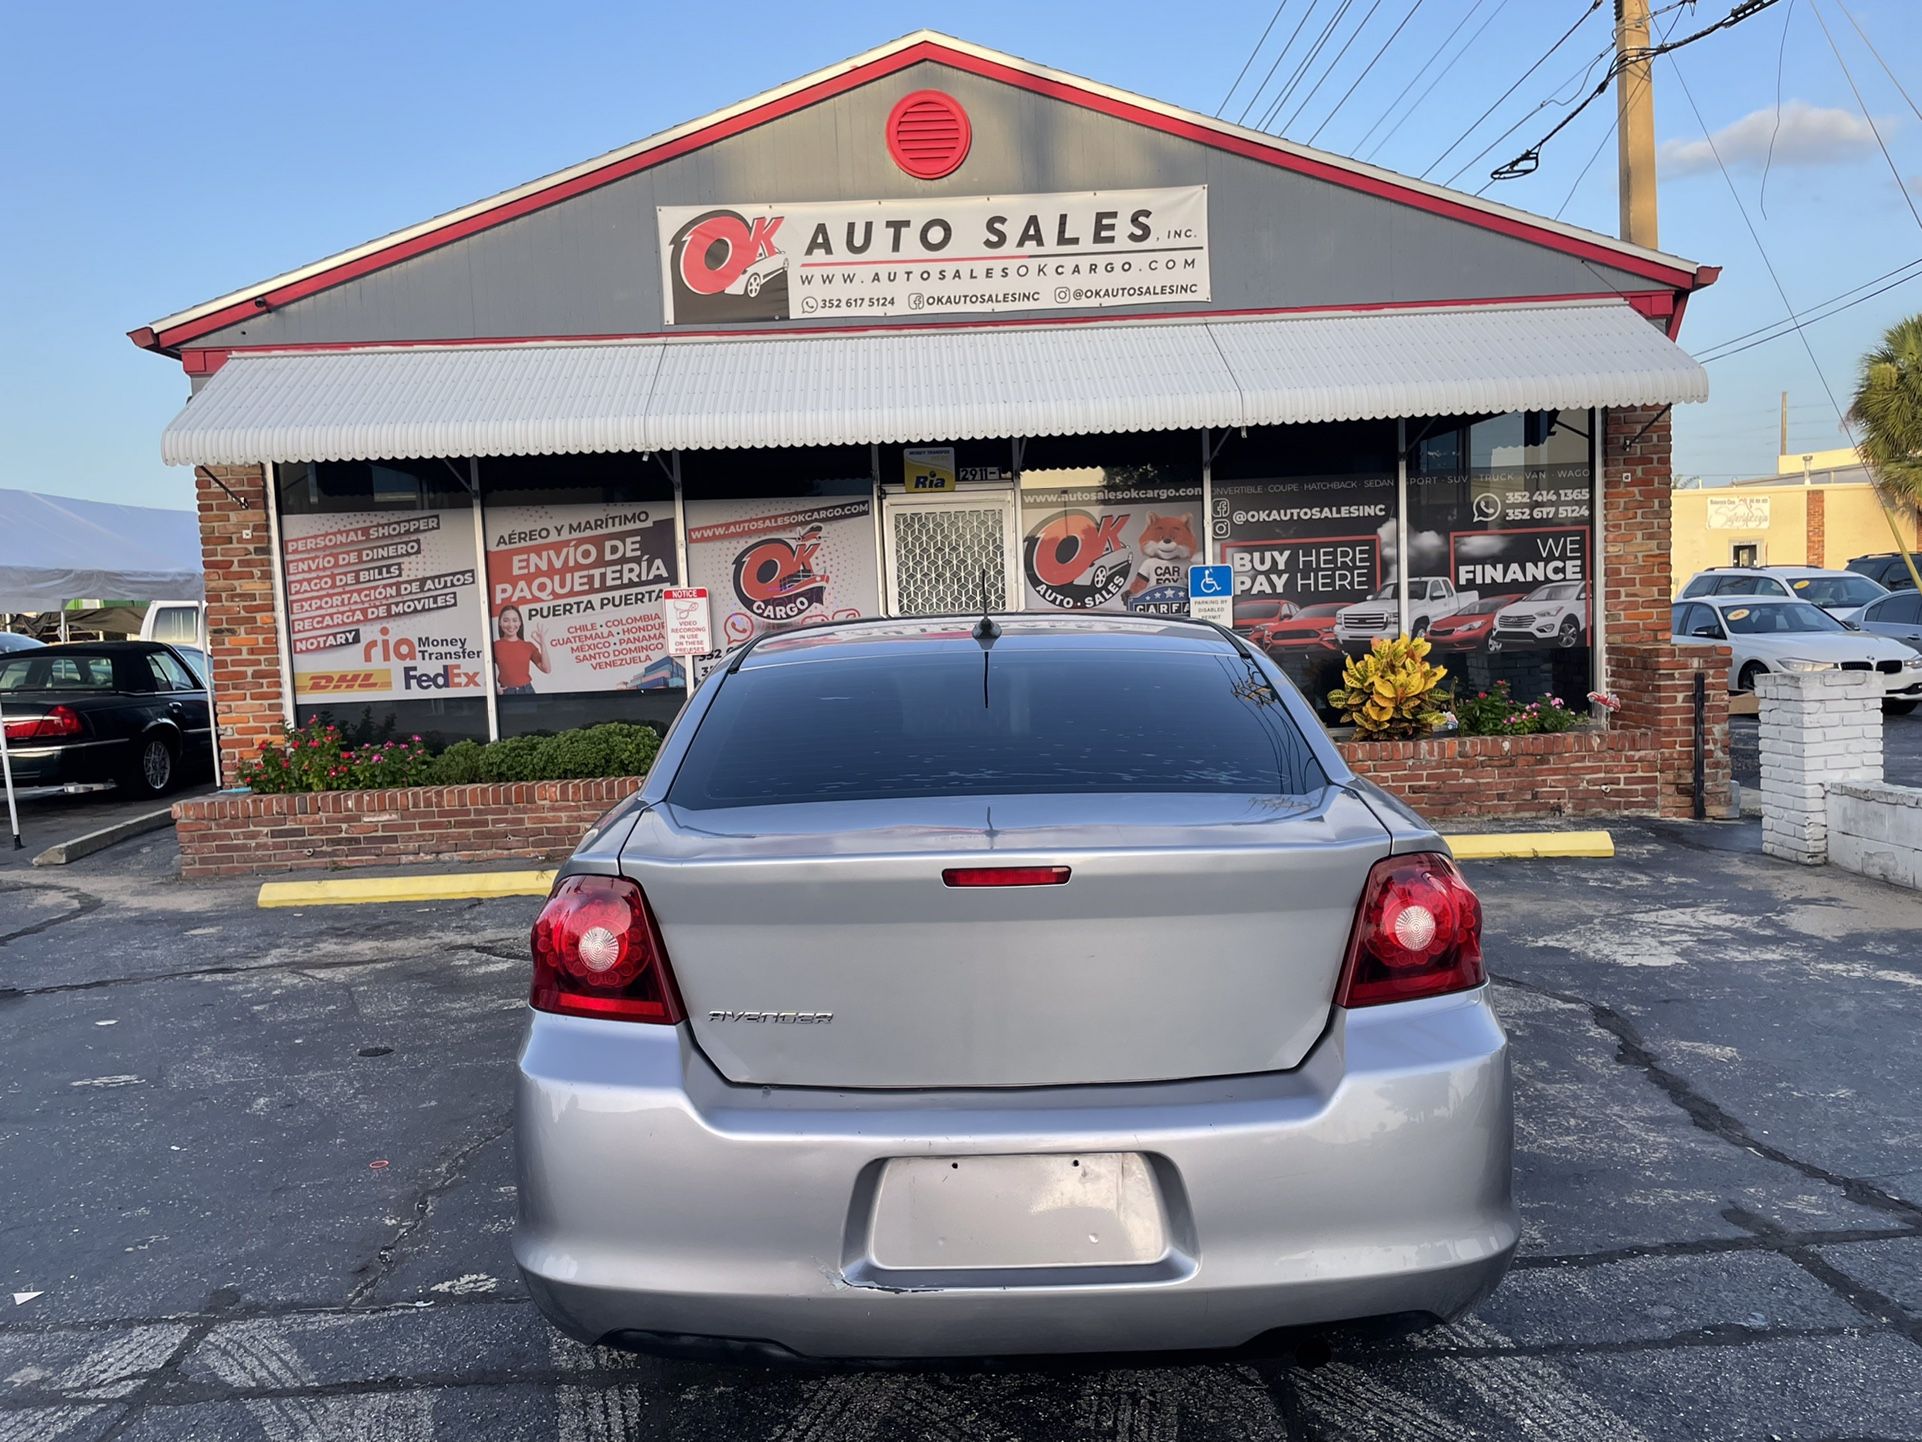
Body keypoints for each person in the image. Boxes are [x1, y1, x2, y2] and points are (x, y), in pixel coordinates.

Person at [492, 605, 549, 694]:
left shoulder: (528, 646)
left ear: (520, 623)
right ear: (500, 623)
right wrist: (494, 688)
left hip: (527, 691)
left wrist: (543, 645)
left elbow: (546, 669)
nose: (511, 625)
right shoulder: (495, 646)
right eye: (506, 620)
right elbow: (483, 671)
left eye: (515, 620)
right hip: (506, 692)